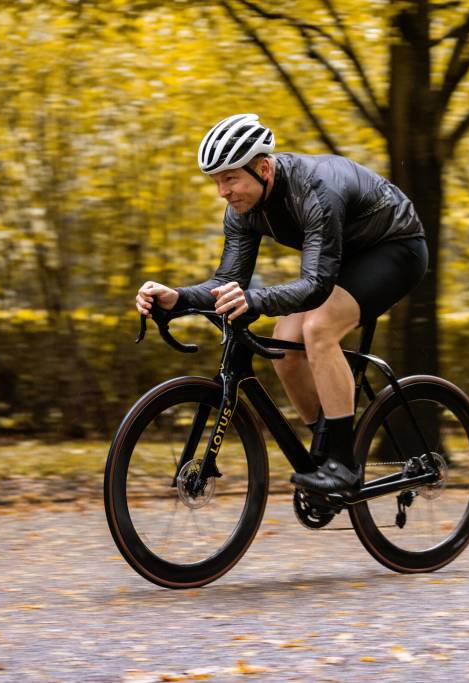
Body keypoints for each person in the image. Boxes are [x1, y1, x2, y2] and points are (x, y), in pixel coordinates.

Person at [134, 113, 427, 494]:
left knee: (318, 329)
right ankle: (325, 450)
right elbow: (227, 282)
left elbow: (317, 285)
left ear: (264, 168)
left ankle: (344, 465)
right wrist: (177, 299)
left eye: (230, 178)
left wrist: (253, 299)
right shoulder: (243, 211)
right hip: (345, 258)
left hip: (396, 248)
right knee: (283, 344)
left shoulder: (316, 190)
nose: (222, 191)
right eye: (217, 181)